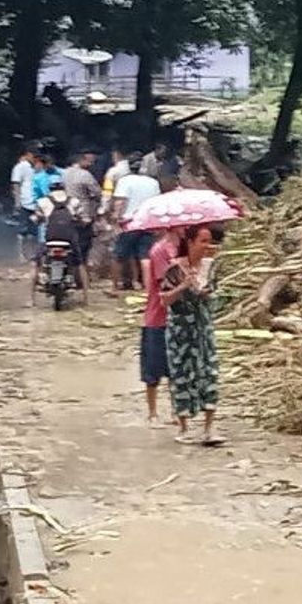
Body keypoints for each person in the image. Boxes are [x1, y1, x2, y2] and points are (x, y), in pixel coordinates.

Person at [160, 225, 225, 445]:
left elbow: (216, 295)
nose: (207, 247)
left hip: (203, 328)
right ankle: (184, 427)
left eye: (209, 242)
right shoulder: (174, 269)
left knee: (209, 372)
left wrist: (205, 294)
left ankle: (209, 427)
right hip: (181, 330)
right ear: (190, 242)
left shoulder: (211, 267)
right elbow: (164, 299)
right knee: (182, 375)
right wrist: (183, 287)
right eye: (203, 241)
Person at [140, 225, 182, 426]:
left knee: (176, 367)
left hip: (178, 318)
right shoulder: (159, 251)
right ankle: (153, 412)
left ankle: (176, 410)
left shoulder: (183, 249)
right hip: (157, 317)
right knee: (153, 370)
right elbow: (165, 282)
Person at [30, 180, 86, 305]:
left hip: (49, 239)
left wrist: (40, 219)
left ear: (50, 189)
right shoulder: (74, 201)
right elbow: (82, 219)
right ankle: (86, 298)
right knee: (80, 264)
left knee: (35, 263)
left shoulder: (42, 202)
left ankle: (31, 299)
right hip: (69, 240)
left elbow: (35, 219)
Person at [111, 160, 161, 293]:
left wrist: (116, 217)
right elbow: (156, 202)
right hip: (148, 222)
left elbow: (120, 201)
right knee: (145, 256)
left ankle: (114, 287)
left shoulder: (125, 181)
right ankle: (147, 287)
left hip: (129, 222)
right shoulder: (153, 182)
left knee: (118, 255)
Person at [62, 151, 102, 270]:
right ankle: (80, 271)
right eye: (88, 161)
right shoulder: (85, 175)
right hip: (83, 215)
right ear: (81, 160)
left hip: (66, 213)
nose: (91, 163)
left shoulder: (63, 173)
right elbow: (97, 193)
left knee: (68, 243)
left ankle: (67, 268)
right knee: (83, 245)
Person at [10, 145, 38, 260]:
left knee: (33, 231)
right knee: (22, 229)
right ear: (28, 154)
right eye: (34, 156)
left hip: (35, 202)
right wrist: (17, 201)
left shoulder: (36, 168)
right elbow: (16, 184)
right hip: (24, 201)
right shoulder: (20, 167)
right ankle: (20, 254)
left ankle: (31, 253)